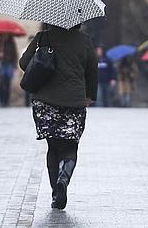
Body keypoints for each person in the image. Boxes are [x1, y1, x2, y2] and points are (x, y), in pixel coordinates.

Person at [19, 24, 97, 210]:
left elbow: (24, 63)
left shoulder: (43, 37)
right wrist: (90, 96)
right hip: (74, 102)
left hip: (45, 102)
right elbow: (92, 71)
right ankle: (64, 179)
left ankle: (56, 192)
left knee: (52, 147)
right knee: (71, 146)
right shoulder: (84, 41)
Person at [0, 34, 18, 107]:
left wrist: (14, 66)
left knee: (8, 83)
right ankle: (1, 100)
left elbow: (15, 54)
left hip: (9, 64)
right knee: (2, 82)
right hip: (1, 64)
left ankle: (6, 101)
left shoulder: (11, 42)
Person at [22, 35, 35, 107]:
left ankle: (32, 102)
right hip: (27, 71)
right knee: (27, 87)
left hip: (35, 71)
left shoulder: (38, 49)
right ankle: (26, 103)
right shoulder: (25, 50)